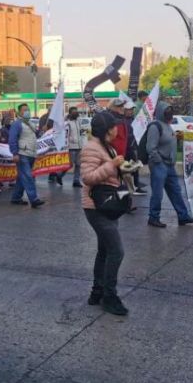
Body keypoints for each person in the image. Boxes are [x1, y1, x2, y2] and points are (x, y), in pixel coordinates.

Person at [80, 112, 128, 316]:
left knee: (105, 251)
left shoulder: (106, 146)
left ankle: (97, 291)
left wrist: (123, 168)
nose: (117, 129)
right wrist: (112, 165)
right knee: (116, 251)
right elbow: (87, 177)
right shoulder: (91, 147)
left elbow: (109, 172)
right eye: (114, 126)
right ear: (107, 129)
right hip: (96, 206)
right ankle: (109, 296)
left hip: (109, 205)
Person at [145, 102, 193, 228]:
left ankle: (183, 216)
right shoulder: (155, 126)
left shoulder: (167, 125)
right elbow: (150, 148)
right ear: (160, 111)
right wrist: (159, 161)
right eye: (167, 110)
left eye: (170, 110)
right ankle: (153, 218)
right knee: (158, 193)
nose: (169, 112)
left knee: (176, 191)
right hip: (160, 164)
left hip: (169, 165)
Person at [8, 103, 45, 209]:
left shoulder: (30, 123)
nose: (27, 111)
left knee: (22, 177)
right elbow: (12, 139)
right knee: (28, 177)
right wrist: (15, 153)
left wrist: (43, 130)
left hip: (31, 154)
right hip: (22, 153)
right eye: (25, 110)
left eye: (28, 109)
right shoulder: (17, 124)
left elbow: (36, 136)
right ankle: (34, 199)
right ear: (19, 112)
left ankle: (16, 198)